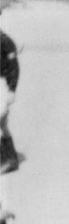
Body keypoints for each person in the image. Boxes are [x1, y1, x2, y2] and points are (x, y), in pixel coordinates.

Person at [0, 14, 20, 174]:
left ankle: (9, 159)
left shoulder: (5, 41)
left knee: (1, 122)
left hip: (2, 85)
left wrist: (12, 90)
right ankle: (10, 159)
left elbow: (14, 68)